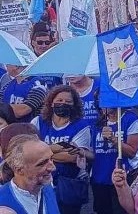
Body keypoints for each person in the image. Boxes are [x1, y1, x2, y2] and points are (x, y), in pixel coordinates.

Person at [31, 85, 92, 214]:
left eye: (68, 101)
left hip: (68, 185)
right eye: (59, 100)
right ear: (51, 102)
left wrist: (41, 153)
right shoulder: (38, 122)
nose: (63, 103)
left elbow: (72, 156)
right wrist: (57, 149)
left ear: (74, 105)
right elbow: (30, 150)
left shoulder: (81, 126)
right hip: (40, 182)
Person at [91, 106, 138, 214]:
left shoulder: (131, 120)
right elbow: (94, 152)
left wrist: (113, 139)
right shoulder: (98, 122)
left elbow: (131, 152)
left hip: (122, 178)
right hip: (100, 179)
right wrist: (80, 152)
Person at [0, 134, 60, 214]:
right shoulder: (4, 207)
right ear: (19, 170)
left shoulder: (47, 186)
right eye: (42, 163)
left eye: (51, 159)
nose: (53, 168)